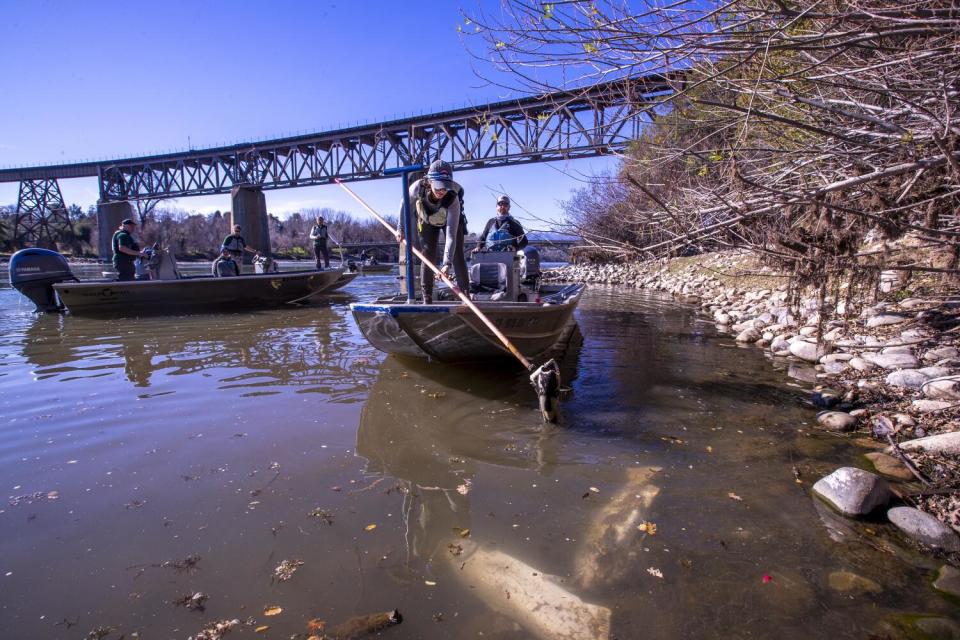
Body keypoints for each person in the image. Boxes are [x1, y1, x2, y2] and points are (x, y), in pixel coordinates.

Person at [400, 160, 469, 303]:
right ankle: (427, 299)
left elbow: (450, 236)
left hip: (450, 221)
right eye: (438, 187)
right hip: (427, 220)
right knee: (427, 254)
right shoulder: (416, 188)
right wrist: (400, 229)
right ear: (429, 181)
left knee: (457, 255)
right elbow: (403, 205)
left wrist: (446, 264)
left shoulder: (453, 198)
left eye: (445, 187)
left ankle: (465, 295)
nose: (441, 191)